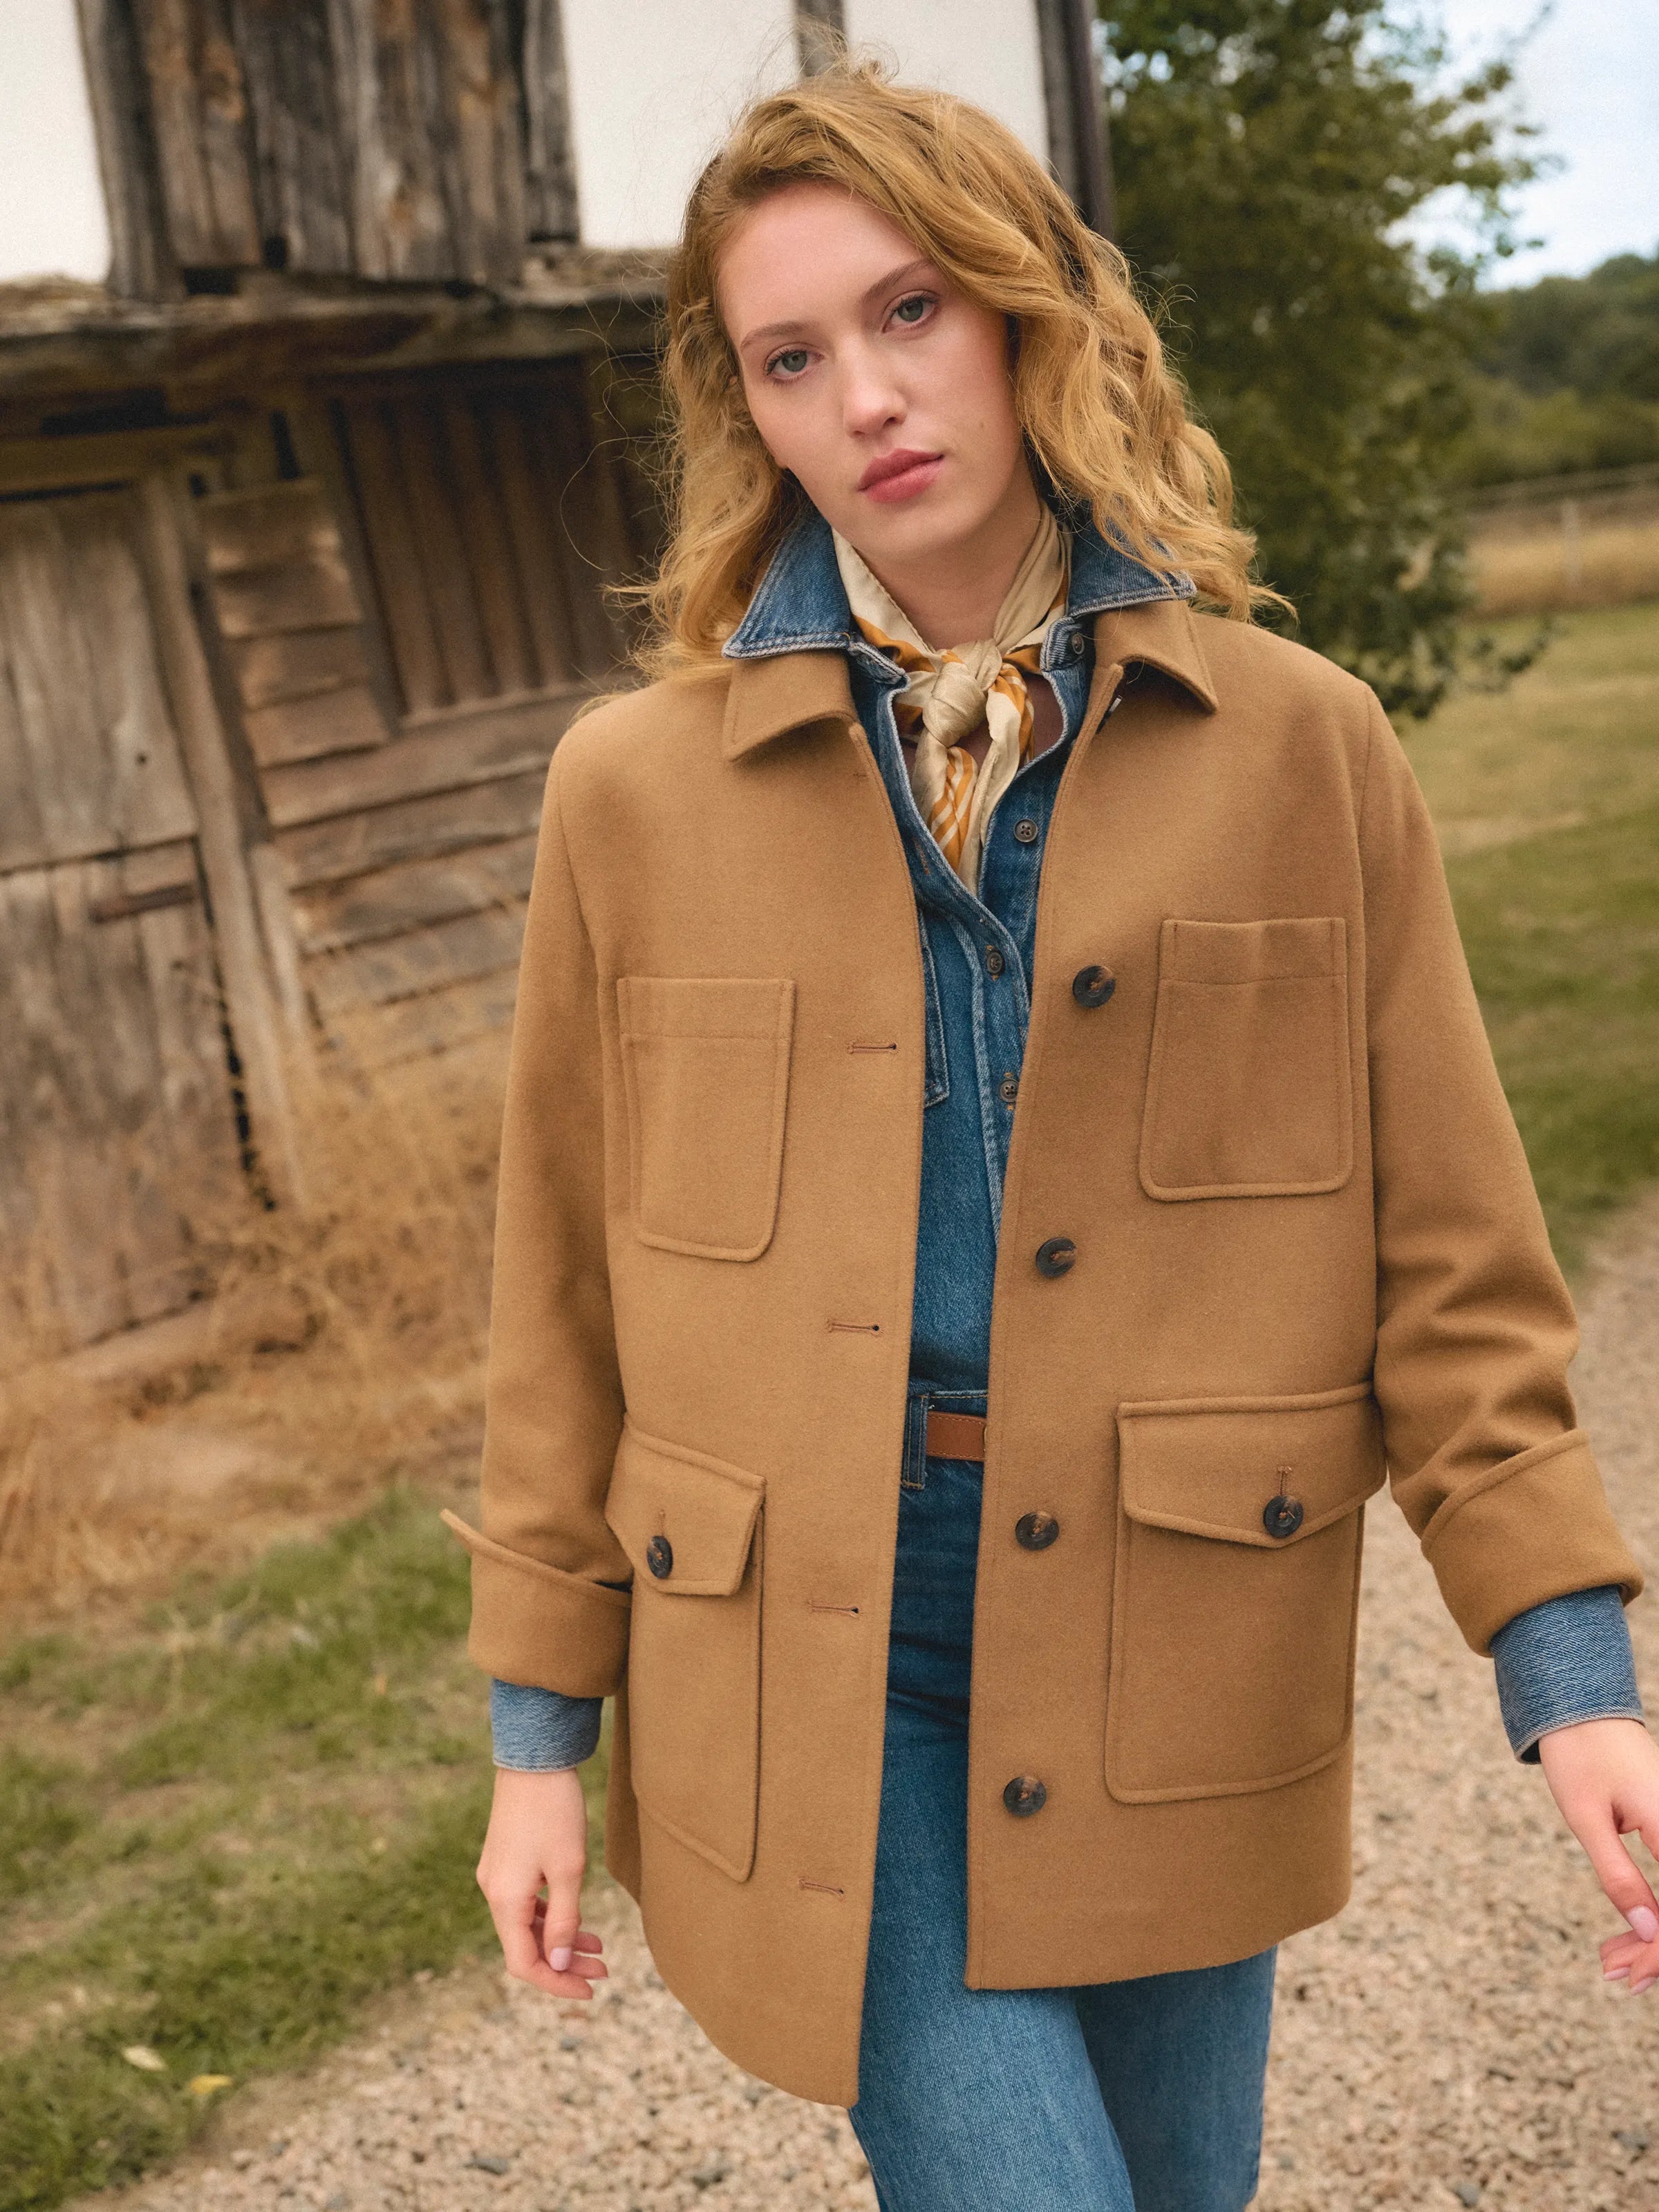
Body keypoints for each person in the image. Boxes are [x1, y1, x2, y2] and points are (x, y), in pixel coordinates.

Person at [443, 59, 1658, 2212]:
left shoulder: (1306, 754)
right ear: (749, 412)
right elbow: (561, 1294)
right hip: (812, 1643)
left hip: (1179, 1631)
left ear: (1024, 315)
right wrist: (541, 1739)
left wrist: (1572, 1678)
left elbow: (1455, 1267)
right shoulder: (628, 798)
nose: (864, 399)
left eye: (910, 311)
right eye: (789, 358)